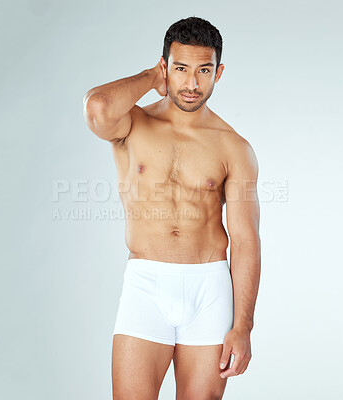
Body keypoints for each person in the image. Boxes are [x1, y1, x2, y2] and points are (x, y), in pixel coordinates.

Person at [83, 16, 261, 400]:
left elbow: (245, 240)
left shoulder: (235, 147)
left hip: (209, 289)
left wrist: (243, 325)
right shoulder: (133, 123)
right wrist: (151, 77)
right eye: (180, 69)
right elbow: (97, 108)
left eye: (204, 71)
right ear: (166, 66)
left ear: (219, 72)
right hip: (145, 284)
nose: (192, 83)